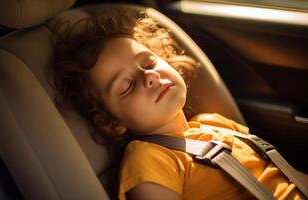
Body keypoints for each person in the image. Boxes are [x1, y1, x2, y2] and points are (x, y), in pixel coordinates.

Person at [48, 9, 304, 200]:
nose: (149, 77)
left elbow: (285, 178)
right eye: (126, 86)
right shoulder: (149, 158)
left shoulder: (215, 122)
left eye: (148, 64)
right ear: (111, 122)